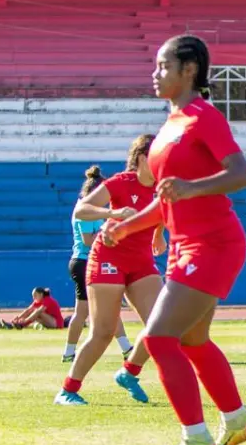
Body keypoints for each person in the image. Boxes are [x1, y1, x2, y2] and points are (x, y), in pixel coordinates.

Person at [100, 34, 246, 445]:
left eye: (163, 66)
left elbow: (242, 174)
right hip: (184, 245)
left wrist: (192, 188)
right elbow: (166, 199)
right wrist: (126, 225)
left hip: (213, 244)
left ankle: (196, 439)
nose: (155, 74)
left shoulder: (202, 117)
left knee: (157, 337)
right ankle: (238, 419)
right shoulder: (170, 125)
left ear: (189, 70)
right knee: (193, 341)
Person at [56, 135, 166, 407]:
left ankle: (129, 372)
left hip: (140, 260)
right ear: (142, 158)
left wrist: (158, 234)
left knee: (163, 324)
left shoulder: (162, 186)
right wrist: (113, 215)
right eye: (158, 156)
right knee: (103, 332)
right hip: (108, 258)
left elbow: (162, 210)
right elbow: (82, 209)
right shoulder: (120, 182)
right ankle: (67, 390)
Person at [64, 165, 133, 362]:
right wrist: (107, 228)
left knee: (106, 307)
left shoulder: (90, 209)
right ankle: (69, 351)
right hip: (85, 261)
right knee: (85, 311)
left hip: (87, 261)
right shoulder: (85, 210)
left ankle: (126, 347)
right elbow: (87, 240)